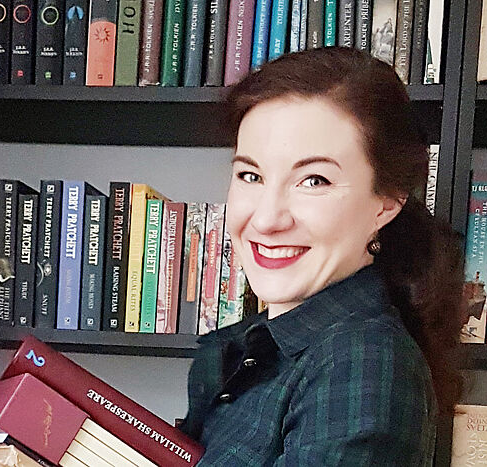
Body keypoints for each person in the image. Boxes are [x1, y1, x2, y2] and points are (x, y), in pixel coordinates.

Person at [179, 46, 465, 466]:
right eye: (250, 175)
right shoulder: (250, 348)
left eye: (314, 180)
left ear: (385, 202)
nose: (267, 218)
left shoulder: (364, 363)